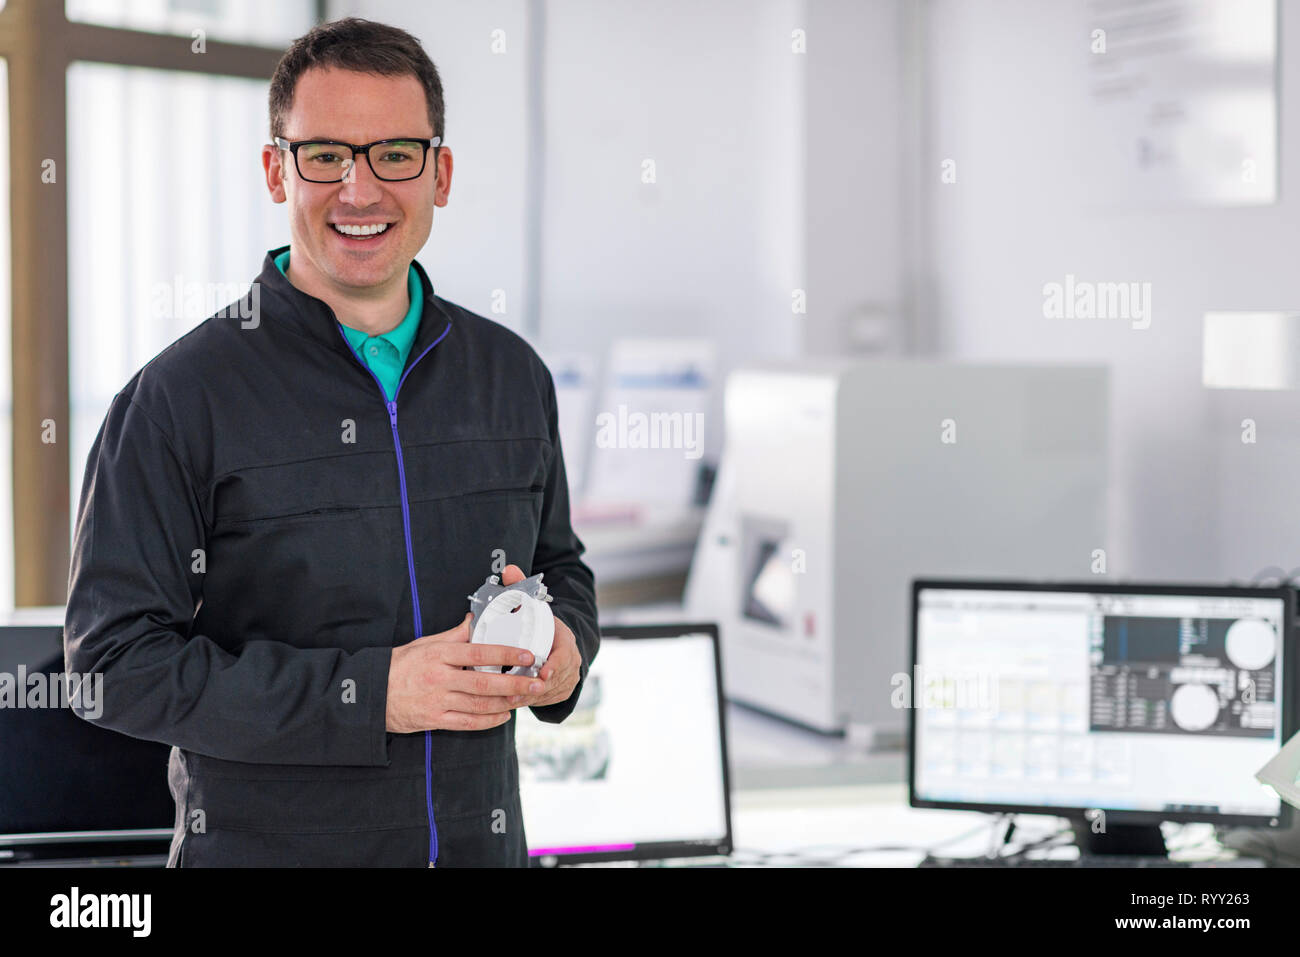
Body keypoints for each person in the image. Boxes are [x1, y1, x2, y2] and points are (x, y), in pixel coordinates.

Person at [63, 16, 598, 867]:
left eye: (394, 153)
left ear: (440, 173)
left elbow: (562, 568)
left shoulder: (511, 375)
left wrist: (567, 644)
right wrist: (373, 694)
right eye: (325, 156)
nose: (360, 190)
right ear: (277, 169)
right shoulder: (177, 398)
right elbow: (113, 667)